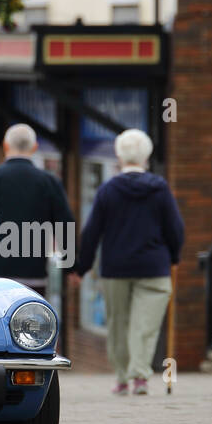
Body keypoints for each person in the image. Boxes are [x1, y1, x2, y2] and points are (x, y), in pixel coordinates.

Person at [72, 129, 184, 395]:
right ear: (146, 156)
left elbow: (92, 232)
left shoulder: (108, 190)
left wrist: (81, 267)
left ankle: (122, 378)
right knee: (145, 325)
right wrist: (175, 257)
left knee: (118, 323)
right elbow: (175, 228)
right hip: (154, 267)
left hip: (115, 268)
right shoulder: (160, 189)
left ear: (119, 156)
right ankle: (140, 378)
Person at [0, 123, 75, 291]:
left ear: (5, 146)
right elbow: (64, 224)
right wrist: (71, 267)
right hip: (33, 277)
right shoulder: (49, 182)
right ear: (35, 147)